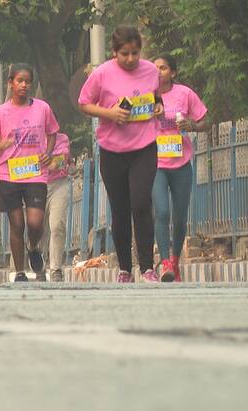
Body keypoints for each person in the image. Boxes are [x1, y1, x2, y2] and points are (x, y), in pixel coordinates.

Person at [78, 25, 163, 283]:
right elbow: (84, 103)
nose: (130, 59)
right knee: (121, 209)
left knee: (141, 203)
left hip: (144, 147)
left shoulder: (150, 70)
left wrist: (159, 106)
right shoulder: (102, 74)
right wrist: (110, 113)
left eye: (135, 53)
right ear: (114, 52)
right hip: (113, 150)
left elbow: (156, 96)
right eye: (124, 53)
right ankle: (125, 268)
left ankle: (147, 267)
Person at [0, 63, 60, 282]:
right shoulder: (0, 113)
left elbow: (53, 132)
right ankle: (20, 271)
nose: (24, 85)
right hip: (8, 174)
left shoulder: (42, 108)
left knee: (35, 222)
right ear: (10, 83)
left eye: (28, 81)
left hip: (35, 172)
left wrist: (48, 152)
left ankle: (33, 247)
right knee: (17, 224)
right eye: (19, 81)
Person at [152, 54, 208, 282]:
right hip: (155, 164)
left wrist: (191, 125)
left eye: (163, 68)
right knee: (162, 212)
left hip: (181, 163)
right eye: (154, 68)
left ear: (172, 73)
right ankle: (164, 262)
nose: (158, 72)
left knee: (180, 215)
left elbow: (205, 121)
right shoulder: (145, 96)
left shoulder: (184, 94)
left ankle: (175, 260)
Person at [41, 133, 71, 282]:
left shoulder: (62, 139)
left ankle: (56, 269)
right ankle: (38, 264)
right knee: (37, 228)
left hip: (59, 184)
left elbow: (61, 161)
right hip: (36, 185)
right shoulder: (31, 138)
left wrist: (50, 163)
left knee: (57, 225)